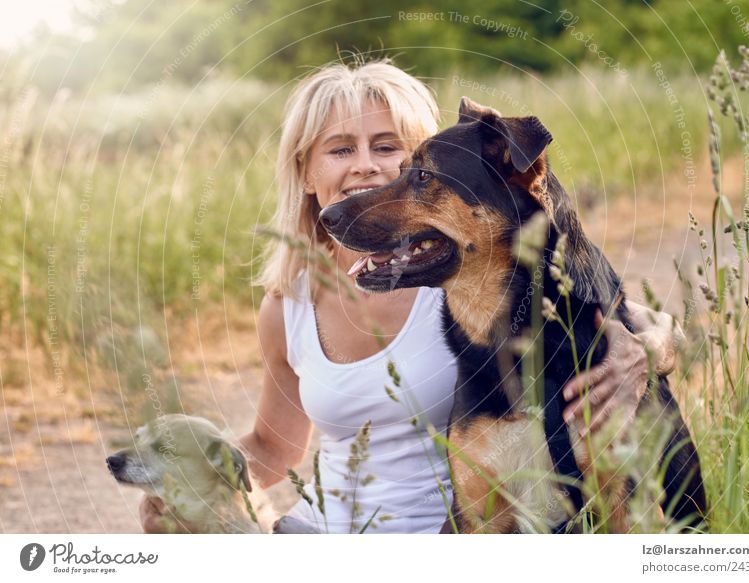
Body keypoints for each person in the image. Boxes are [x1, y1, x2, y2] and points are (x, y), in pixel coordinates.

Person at [140, 59, 683, 534]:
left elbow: (623, 316)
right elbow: (274, 447)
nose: (366, 166)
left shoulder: (466, 274)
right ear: (306, 171)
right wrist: (189, 479)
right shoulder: (288, 306)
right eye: (339, 149)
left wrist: (651, 351)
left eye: (387, 148)